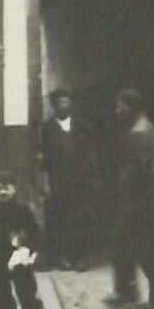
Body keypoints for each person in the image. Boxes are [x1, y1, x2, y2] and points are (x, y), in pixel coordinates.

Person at [106, 89, 154, 309]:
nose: (117, 111)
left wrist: (130, 199)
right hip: (149, 200)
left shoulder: (140, 134)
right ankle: (126, 292)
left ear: (131, 108)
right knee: (123, 246)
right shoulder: (150, 129)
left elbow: (140, 171)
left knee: (147, 250)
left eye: (121, 106)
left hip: (143, 202)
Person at [38, 90, 97, 270]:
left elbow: (90, 154)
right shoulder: (47, 129)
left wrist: (90, 178)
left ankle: (81, 258)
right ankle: (61, 258)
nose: (64, 106)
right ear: (54, 106)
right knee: (59, 221)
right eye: (60, 103)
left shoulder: (82, 126)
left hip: (81, 182)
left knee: (80, 220)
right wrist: (45, 182)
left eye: (67, 102)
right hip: (58, 181)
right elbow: (43, 158)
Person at [0, 172, 42, 309]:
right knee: (1, 294)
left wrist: (28, 249)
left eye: (7, 188)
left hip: (19, 258)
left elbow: (34, 232)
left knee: (27, 293)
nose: (3, 193)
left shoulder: (23, 210)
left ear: (15, 189)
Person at [4, 217, 47, 309]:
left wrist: (29, 254)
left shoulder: (21, 211)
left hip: (22, 261)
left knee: (28, 296)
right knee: (2, 295)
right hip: (0, 253)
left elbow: (34, 232)